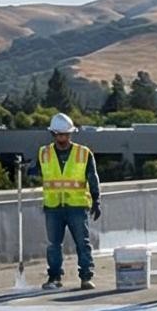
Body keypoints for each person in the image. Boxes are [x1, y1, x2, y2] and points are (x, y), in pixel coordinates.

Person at [36, 112, 101, 290]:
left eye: (65, 134)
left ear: (70, 134)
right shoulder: (44, 153)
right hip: (53, 206)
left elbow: (92, 177)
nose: (62, 138)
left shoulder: (83, 153)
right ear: (53, 134)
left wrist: (96, 200)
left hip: (77, 206)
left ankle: (86, 276)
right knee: (53, 245)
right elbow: (38, 171)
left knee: (83, 242)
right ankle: (54, 277)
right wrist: (23, 168)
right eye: (59, 134)